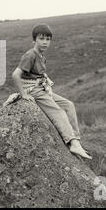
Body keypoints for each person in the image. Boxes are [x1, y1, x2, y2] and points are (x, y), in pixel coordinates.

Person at [11, 24, 92, 159]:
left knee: (68, 105)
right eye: (41, 38)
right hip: (34, 91)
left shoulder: (42, 56)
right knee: (58, 111)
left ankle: (76, 140)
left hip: (42, 88)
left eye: (48, 39)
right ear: (34, 40)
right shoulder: (30, 55)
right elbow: (15, 75)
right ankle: (72, 142)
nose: (45, 42)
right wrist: (24, 94)